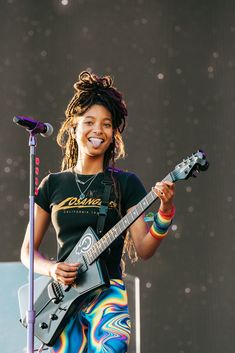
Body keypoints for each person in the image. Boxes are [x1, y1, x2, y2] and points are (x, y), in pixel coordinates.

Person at [21, 71, 175, 353]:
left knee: (111, 348)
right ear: (74, 127)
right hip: (62, 301)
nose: (98, 130)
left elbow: (144, 248)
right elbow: (28, 251)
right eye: (89, 122)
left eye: (106, 124)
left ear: (114, 133)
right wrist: (53, 269)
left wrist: (165, 211)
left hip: (107, 297)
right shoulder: (52, 184)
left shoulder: (126, 183)